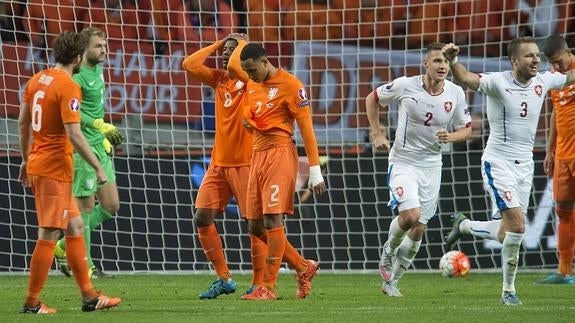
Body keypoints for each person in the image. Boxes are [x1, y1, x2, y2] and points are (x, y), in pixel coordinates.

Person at [442, 36, 575, 305]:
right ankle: (508, 291)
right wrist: (453, 60)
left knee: (506, 233)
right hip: (498, 162)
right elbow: (466, 78)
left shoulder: (544, 81)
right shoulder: (497, 82)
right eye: (529, 56)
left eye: (538, 55)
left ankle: (464, 225)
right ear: (515, 60)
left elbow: (570, 77)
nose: (536, 60)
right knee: (517, 225)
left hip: (525, 166)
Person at [17, 30, 121, 314]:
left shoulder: (37, 80)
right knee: (49, 233)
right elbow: (74, 134)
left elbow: (22, 124)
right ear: (77, 58)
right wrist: (98, 166)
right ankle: (32, 302)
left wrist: (26, 160)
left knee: (75, 228)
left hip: (40, 162)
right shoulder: (68, 86)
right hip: (54, 167)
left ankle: (90, 296)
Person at [367, 42, 472, 298]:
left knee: (419, 229)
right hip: (403, 162)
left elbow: (467, 128)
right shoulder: (405, 85)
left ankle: (393, 282)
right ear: (425, 64)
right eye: (437, 61)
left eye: (446, 62)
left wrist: (452, 137)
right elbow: (372, 98)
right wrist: (377, 133)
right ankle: (389, 250)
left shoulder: (456, 93)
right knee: (410, 215)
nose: (442, 66)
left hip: (432, 165)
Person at [235, 42, 326, 300]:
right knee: (255, 226)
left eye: (252, 70)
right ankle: (302, 266)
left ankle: (268, 287)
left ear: (265, 62)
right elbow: (237, 70)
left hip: (280, 154)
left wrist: (316, 170)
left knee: (273, 219)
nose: (250, 76)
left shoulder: (292, 86)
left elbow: (307, 130)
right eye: (246, 71)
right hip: (257, 156)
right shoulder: (252, 83)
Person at [181, 33, 253, 299]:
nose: (225, 54)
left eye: (231, 51)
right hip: (218, 164)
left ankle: (264, 281)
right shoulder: (219, 80)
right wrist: (220, 43)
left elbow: (237, 65)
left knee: (256, 225)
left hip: (246, 163)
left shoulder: (250, 82)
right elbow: (189, 64)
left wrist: (241, 45)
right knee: (201, 216)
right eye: (225, 50)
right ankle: (224, 278)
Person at [52, 27, 123, 279]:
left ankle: (63, 247)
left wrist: (102, 132)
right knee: (85, 207)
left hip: (99, 144)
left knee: (111, 205)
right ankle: (87, 266)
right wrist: (98, 125)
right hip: (82, 147)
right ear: (83, 51)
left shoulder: (99, 69)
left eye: (105, 45)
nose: (103, 50)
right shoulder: (77, 78)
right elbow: (71, 115)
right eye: (98, 46)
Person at [534, 34, 575, 285]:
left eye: (559, 62)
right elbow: (555, 114)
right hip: (562, 154)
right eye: (552, 63)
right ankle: (564, 271)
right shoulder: (554, 77)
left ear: (568, 51)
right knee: (563, 210)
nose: (556, 67)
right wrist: (550, 151)